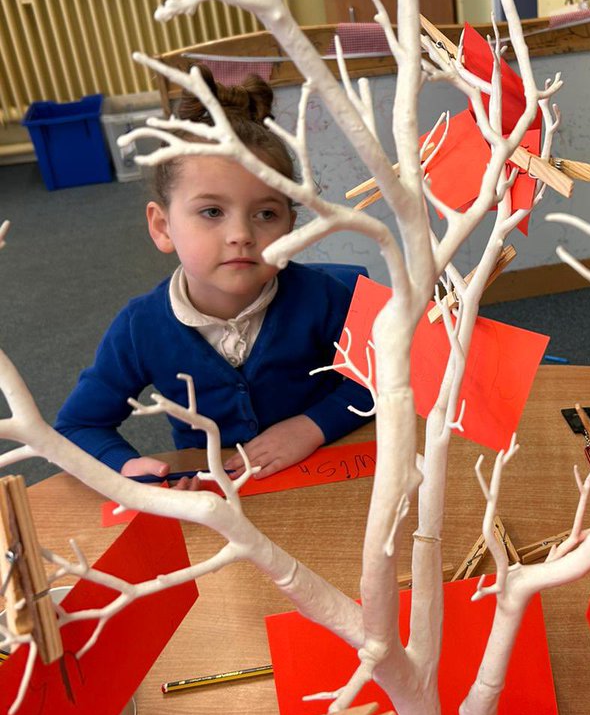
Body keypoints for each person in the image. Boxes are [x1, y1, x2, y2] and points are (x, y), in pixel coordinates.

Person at [55, 67, 371, 484]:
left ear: (291, 226)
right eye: (211, 212)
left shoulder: (328, 298)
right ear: (163, 226)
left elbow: (387, 379)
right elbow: (77, 427)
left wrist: (312, 427)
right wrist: (130, 468)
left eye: (266, 214)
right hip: (215, 496)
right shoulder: (140, 328)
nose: (241, 235)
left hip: (328, 473)